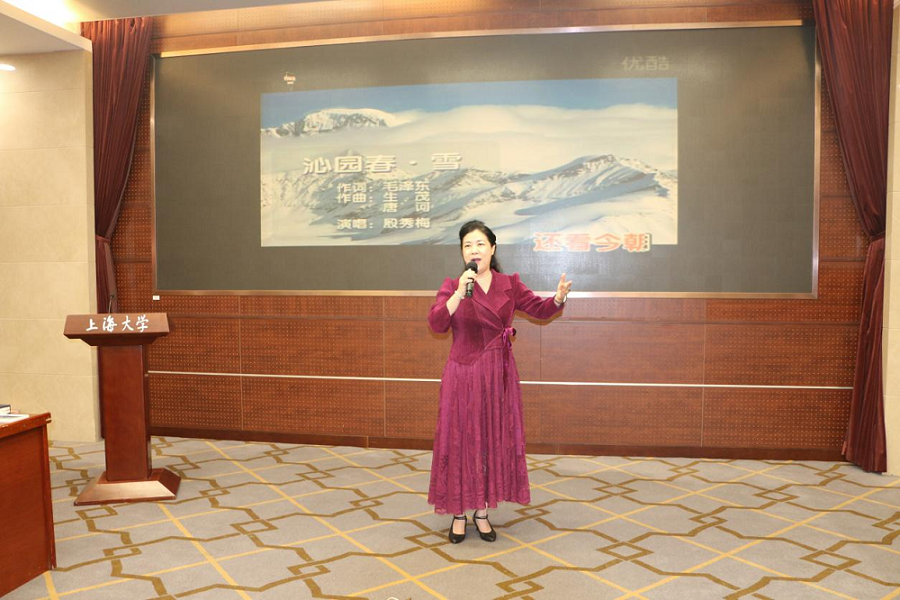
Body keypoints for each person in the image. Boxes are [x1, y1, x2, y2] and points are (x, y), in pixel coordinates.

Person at [427, 220, 573, 543]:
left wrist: (557, 299)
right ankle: (458, 513)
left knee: (489, 442)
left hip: (497, 376)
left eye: (480, 244)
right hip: (463, 374)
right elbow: (436, 323)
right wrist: (458, 295)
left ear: (492, 249)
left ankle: (481, 512)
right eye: (467, 245)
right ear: (462, 252)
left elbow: (539, 308)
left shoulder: (510, 283)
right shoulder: (453, 285)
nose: (474, 250)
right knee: (461, 442)